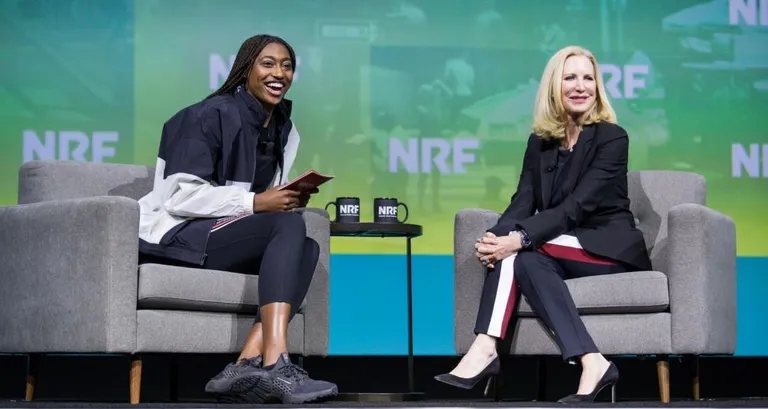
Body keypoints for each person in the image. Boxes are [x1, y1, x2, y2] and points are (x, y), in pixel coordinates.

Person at [434, 45, 652, 404]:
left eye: (588, 78)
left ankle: (486, 346)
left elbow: (577, 207)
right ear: (555, 86)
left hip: (607, 246)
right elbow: (522, 201)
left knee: (521, 250)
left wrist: (517, 239)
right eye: (570, 78)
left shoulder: (612, 137)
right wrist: (495, 238)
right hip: (563, 245)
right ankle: (592, 362)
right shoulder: (540, 142)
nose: (580, 86)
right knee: (524, 258)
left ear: (597, 87)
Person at [137, 34, 338, 404]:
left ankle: (245, 364)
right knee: (290, 226)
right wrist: (258, 203)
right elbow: (178, 196)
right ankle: (277, 362)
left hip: (220, 233)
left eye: (287, 65)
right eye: (268, 63)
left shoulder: (282, 127)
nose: (279, 73)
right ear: (246, 69)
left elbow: (257, 201)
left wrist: (286, 196)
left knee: (307, 248)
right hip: (177, 235)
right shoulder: (204, 116)